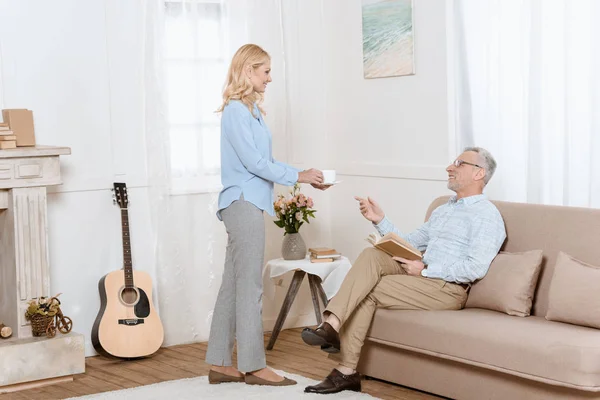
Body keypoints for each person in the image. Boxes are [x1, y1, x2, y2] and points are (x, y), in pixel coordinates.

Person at [301, 147, 507, 394]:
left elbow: (475, 267)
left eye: (459, 163)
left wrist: (425, 271)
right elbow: (408, 243)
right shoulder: (444, 209)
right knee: (372, 254)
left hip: (446, 289)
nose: (449, 168)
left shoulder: (486, 215)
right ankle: (332, 325)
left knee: (369, 289)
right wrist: (380, 220)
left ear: (478, 174)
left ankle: (345, 369)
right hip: (422, 278)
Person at [205, 44, 327, 386]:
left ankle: (219, 362)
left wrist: (305, 175)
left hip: (248, 203)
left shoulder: (250, 111)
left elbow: (264, 163)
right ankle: (253, 366)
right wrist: (300, 175)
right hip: (242, 203)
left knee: (233, 285)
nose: (270, 78)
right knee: (250, 288)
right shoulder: (235, 111)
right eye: (266, 72)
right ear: (248, 71)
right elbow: (254, 164)